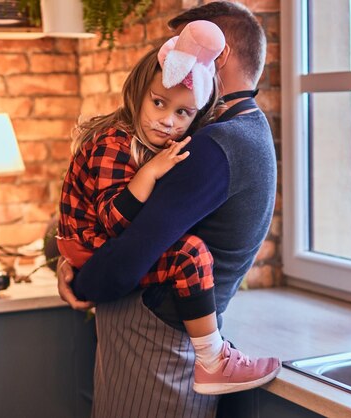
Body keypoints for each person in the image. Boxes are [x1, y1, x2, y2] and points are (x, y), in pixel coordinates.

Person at [57, 2, 278, 417]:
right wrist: (74, 254)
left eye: (180, 42)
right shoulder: (251, 128)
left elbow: (127, 258)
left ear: (220, 55)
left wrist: (80, 281)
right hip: (172, 331)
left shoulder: (213, 145)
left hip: (156, 339)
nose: (171, 51)